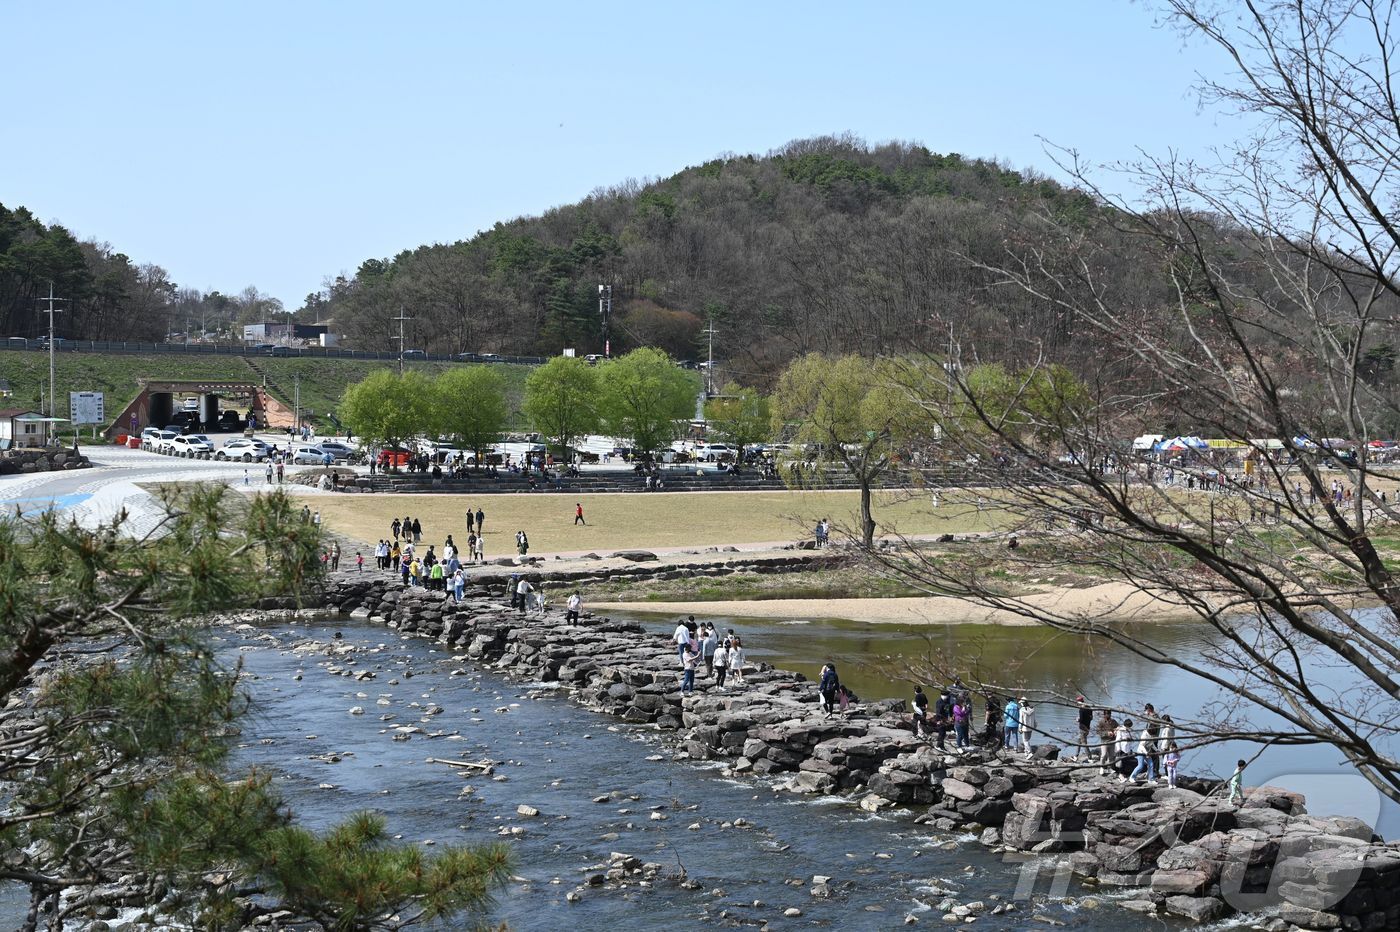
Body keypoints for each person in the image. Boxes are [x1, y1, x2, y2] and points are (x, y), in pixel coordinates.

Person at [1097, 709, 1118, 775]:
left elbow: (1118, 727)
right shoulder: (1101, 721)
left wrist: (1115, 731)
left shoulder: (1113, 721)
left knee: (1111, 756)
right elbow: (1098, 731)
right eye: (1106, 714)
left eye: (1108, 714)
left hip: (1112, 741)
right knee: (1103, 755)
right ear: (1104, 714)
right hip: (1104, 741)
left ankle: (1110, 768)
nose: (1107, 715)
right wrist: (1107, 733)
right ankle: (1102, 767)